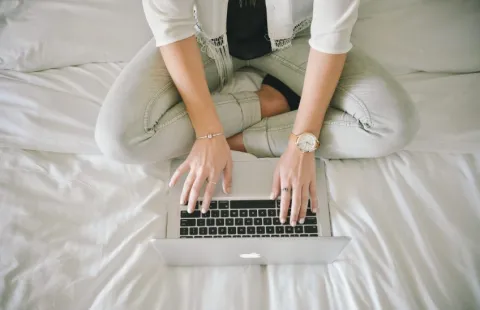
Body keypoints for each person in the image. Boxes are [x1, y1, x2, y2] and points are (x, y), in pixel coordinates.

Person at [95, 0, 418, 227]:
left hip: (300, 39)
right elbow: (171, 23)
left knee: (393, 125)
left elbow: (331, 34)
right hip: (201, 42)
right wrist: (208, 134)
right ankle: (269, 103)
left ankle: (237, 137)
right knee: (119, 138)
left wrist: (302, 142)